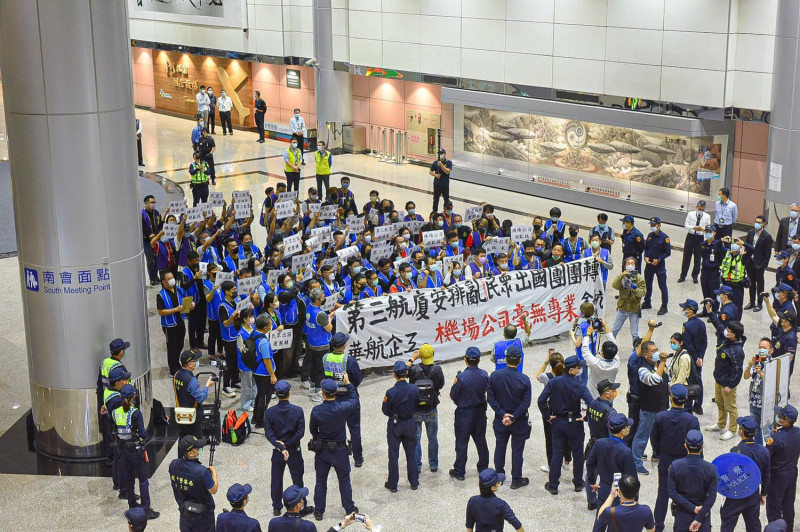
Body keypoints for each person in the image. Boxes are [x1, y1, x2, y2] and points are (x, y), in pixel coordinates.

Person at [539, 355, 592, 495]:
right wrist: (586, 417)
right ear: (571, 370)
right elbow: (591, 403)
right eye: (578, 368)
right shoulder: (580, 385)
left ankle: (553, 485)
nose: (580, 370)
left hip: (558, 421)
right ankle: (578, 483)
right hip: (575, 422)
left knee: (557, 454)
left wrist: (547, 416)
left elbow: (541, 400)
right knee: (578, 454)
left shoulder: (554, 382)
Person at [650, 384, 700, 531]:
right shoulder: (691, 420)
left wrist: (659, 452)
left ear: (670, 398)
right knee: (685, 494)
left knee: (663, 493)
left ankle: (658, 525)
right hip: (685, 461)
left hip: (666, 459)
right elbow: (696, 441)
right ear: (686, 398)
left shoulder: (661, 417)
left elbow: (654, 438)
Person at [309, 377, 359, 521]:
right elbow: (354, 400)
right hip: (340, 451)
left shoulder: (317, 410)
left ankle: (319, 511)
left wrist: (321, 438)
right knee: (344, 480)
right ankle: (349, 509)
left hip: (323, 451)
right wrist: (349, 384)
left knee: (320, 481)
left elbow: (313, 430)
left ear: (323, 393)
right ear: (336, 391)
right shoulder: (343, 408)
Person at [265, 380, 314, 517]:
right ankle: (301, 507)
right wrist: (288, 444)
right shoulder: (297, 411)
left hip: (278, 451)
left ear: (276, 393)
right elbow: (300, 432)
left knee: (276, 478)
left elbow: (269, 433)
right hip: (294, 450)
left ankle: (276, 506)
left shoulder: (270, 413)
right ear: (289, 393)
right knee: (297, 479)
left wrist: (280, 446)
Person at [113, 384, 159, 519]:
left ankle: (132, 505)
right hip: (136, 451)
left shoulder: (115, 412)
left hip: (122, 450)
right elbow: (143, 434)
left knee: (129, 478)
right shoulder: (135, 413)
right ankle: (145, 508)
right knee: (143, 480)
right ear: (134, 397)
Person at [719, 416, 770, 532]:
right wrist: (763, 494)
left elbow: (729, 475)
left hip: (735, 495)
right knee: (754, 526)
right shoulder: (764, 451)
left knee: (727, 526)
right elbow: (767, 475)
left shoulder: (735, 452)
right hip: (753, 494)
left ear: (741, 431)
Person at [322, 332, 364, 467]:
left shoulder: (325, 358)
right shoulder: (349, 360)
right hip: (349, 397)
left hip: (332, 398)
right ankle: (358, 458)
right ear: (345, 345)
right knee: (354, 428)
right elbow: (357, 379)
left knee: (336, 428)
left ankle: (337, 456)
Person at [449, 346, 490, 481]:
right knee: (481, 440)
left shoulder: (461, 377)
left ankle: (460, 470)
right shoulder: (484, 375)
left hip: (464, 413)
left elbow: (453, 395)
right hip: (479, 412)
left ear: (465, 359)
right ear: (478, 360)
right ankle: (483, 467)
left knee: (461, 442)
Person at [631, 340, 670, 476]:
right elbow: (654, 380)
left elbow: (667, 380)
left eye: (657, 349)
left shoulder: (661, 364)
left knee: (659, 434)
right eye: (653, 351)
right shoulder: (642, 368)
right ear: (646, 355)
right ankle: (636, 462)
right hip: (649, 408)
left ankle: (657, 454)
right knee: (642, 436)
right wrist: (663, 362)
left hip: (662, 406)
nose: (656, 353)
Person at [667, 430, 718, 532]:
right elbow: (712, 497)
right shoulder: (711, 469)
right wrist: (699, 517)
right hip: (703, 515)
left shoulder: (675, 466)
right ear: (702, 446)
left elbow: (671, 492)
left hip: (682, 513)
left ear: (685, 445)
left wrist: (692, 507)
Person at [406, 344, 445, 474]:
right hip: (431, 409)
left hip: (416, 409)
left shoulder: (414, 370)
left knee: (416, 438)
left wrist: (412, 359)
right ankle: (433, 465)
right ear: (432, 355)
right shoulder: (437, 370)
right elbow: (441, 385)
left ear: (420, 356)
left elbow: (403, 373)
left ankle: (417, 466)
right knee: (432, 437)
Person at [584, 380, 623, 510]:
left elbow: (589, 420)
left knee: (591, 474)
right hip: (606, 446)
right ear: (607, 393)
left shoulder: (592, 404)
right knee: (610, 476)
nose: (614, 392)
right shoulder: (611, 412)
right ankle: (609, 499)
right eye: (612, 390)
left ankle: (591, 501)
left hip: (593, 442)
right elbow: (613, 431)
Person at [382, 360, 420, 492]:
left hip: (395, 424)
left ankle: (393, 484)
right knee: (411, 454)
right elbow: (416, 404)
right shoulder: (414, 388)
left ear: (394, 374)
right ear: (407, 373)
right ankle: (414, 482)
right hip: (410, 423)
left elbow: (385, 410)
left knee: (393, 455)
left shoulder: (390, 392)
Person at [586, 412, 637, 509]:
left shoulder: (599, 443)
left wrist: (592, 482)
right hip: (619, 492)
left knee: (600, 519)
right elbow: (632, 478)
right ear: (623, 431)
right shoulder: (626, 451)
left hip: (603, 488)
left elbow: (590, 464)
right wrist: (634, 498)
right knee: (616, 523)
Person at [705, 320, 745, 441]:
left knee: (731, 407)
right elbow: (719, 325)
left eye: (729, 331)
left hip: (727, 384)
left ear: (735, 335)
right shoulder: (727, 341)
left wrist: (731, 385)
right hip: (719, 379)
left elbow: (737, 371)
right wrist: (711, 313)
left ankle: (732, 430)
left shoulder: (737, 351)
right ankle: (720, 423)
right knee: (720, 403)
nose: (726, 332)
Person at [169, 435, 219, 532]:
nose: (200, 449)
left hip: (185, 512)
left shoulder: (173, 464)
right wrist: (214, 474)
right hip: (203, 516)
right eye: (197, 448)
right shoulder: (202, 471)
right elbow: (214, 489)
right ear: (191, 453)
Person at [535, 351, 572, 473]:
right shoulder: (569, 375)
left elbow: (538, 375)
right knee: (567, 436)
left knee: (550, 438)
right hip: (567, 409)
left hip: (552, 410)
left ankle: (551, 465)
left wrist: (545, 362)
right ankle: (567, 461)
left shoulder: (547, 378)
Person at [766, 404, 800, 529]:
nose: (778, 418)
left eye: (780, 416)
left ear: (785, 421)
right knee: (788, 505)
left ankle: (775, 529)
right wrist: (779, 433)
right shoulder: (798, 432)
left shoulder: (776, 439)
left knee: (774, 507)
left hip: (777, 476)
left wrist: (775, 436)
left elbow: (766, 455)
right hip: (792, 473)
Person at [174, 349, 215, 438]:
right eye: (195, 361)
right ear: (189, 364)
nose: (197, 363)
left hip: (180, 414)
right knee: (194, 441)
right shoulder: (192, 380)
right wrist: (207, 386)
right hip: (193, 416)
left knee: (183, 439)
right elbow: (201, 398)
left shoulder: (177, 374)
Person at [157, 270, 191, 375]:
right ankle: (173, 368)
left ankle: (177, 364)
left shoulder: (178, 290)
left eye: (172, 277)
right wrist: (175, 309)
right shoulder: (161, 295)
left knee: (180, 344)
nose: (172, 280)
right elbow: (161, 311)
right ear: (163, 282)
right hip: (169, 325)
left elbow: (184, 301)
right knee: (172, 347)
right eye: (169, 279)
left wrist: (190, 304)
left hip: (180, 321)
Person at [303, 288, 333, 401]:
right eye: (322, 297)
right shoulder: (320, 314)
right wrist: (330, 318)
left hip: (312, 342)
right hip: (321, 344)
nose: (324, 299)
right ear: (317, 300)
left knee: (314, 367)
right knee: (321, 369)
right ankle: (318, 392)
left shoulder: (309, 307)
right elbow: (329, 328)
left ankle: (312, 387)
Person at [680, 299, 708, 414]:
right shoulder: (702, 323)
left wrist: (695, 357)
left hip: (691, 358)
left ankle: (687, 407)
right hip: (699, 358)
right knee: (698, 380)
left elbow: (688, 344)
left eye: (686, 309)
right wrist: (700, 357)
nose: (684, 311)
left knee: (689, 381)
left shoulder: (687, 326)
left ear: (691, 311)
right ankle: (698, 405)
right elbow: (704, 342)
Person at [743, 338, 773, 445]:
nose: (761, 349)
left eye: (764, 348)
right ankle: (759, 449)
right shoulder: (757, 361)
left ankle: (769, 451)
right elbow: (746, 377)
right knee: (755, 430)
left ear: (771, 351)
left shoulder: (773, 364)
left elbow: (771, 383)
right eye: (760, 347)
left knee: (767, 431)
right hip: (754, 401)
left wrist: (760, 372)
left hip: (766, 403)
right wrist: (749, 366)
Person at [611, 256, 647, 341]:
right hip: (622, 308)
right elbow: (614, 286)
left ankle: (635, 351)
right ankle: (609, 350)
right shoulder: (622, 277)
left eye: (632, 263)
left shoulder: (639, 278)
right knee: (614, 331)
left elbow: (643, 292)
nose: (630, 265)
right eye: (628, 263)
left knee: (635, 333)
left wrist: (634, 289)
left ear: (635, 266)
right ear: (624, 265)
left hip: (634, 309)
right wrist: (621, 276)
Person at [581, 320, 618, 399]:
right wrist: (605, 325)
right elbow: (613, 342)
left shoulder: (595, 363)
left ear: (602, 353)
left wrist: (588, 333)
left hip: (594, 397)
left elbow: (584, 349)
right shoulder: (616, 362)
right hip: (609, 396)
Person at [253, 314, 278, 428]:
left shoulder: (253, 334)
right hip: (264, 372)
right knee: (265, 397)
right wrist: (272, 375)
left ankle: (255, 416)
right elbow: (267, 360)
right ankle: (260, 421)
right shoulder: (263, 342)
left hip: (256, 370)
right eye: (270, 323)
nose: (271, 325)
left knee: (259, 394)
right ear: (265, 328)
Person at [744, 215, 774, 311]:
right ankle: (752, 302)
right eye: (756, 221)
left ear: (764, 224)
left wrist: (764, 265)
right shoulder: (750, 233)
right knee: (751, 283)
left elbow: (768, 253)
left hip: (759, 264)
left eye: (759, 222)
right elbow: (747, 248)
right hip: (750, 262)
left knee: (759, 284)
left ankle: (759, 303)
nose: (756, 224)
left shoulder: (767, 236)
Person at [642, 217, 671, 315]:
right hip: (649, 265)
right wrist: (645, 257)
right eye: (651, 225)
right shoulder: (650, 235)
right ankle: (647, 302)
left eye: (654, 225)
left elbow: (668, 252)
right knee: (648, 284)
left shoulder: (665, 237)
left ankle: (664, 306)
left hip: (659, 266)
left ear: (659, 225)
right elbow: (646, 248)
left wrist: (658, 259)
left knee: (662, 286)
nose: (652, 227)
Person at [218, 280, 241, 398]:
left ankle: (235, 381)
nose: (235, 292)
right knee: (229, 361)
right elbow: (225, 324)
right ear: (226, 292)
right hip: (228, 337)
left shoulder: (237, 301)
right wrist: (232, 317)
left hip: (238, 334)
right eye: (233, 291)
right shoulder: (222, 306)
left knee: (237, 360)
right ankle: (225, 386)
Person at [678, 200, 710, 283]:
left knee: (698, 258)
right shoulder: (690, 214)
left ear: (705, 207)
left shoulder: (707, 216)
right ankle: (683, 275)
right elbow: (686, 225)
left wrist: (702, 230)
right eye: (700, 207)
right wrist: (693, 228)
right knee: (686, 257)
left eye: (702, 207)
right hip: (690, 236)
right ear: (697, 206)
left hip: (700, 237)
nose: (701, 208)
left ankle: (695, 276)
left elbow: (708, 228)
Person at [697, 226, 725, 316]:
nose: (708, 233)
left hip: (714, 272)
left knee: (714, 293)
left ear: (714, 233)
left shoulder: (718, 244)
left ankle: (714, 312)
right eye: (706, 232)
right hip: (704, 271)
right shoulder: (703, 244)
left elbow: (722, 257)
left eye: (710, 232)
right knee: (705, 291)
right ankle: (706, 310)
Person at [719, 235, 751, 310]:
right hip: (726, 283)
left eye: (737, 244)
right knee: (724, 305)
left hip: (737, 286)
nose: (734, 246)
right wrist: (721, 240)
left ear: (740, 247)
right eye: (733, 244)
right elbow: (717, 247)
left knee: (737, 307)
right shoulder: (726, 253)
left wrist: (743, 243)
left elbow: (752, 250)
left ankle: (736, 321)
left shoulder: (743, 257)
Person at [141, 195, 163, 286]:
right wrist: (148, 236)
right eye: (152, 202)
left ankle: (156, 276)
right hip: (146, 241)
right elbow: (140, 227)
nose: (153, 204)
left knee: (156, 258)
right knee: (150, 260)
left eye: (154, 202)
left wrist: (157, 234)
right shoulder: (141, 214)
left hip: (156, 239)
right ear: (146, 203)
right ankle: (152, 278)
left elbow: (160, 225)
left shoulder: (156, 213)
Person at [429, 148, 452, 212]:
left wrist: (441, 165)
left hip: (445, 184)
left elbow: (447, 171)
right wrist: (435, 175)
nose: (440, 155)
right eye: (439, 154)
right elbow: (430, 171)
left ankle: (447, 211)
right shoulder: (435, 163)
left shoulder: (448, 162)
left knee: (446, 200)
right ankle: (434, 212)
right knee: (436, 199)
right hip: (437, 184)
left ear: (445, 154)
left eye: (441, 154)